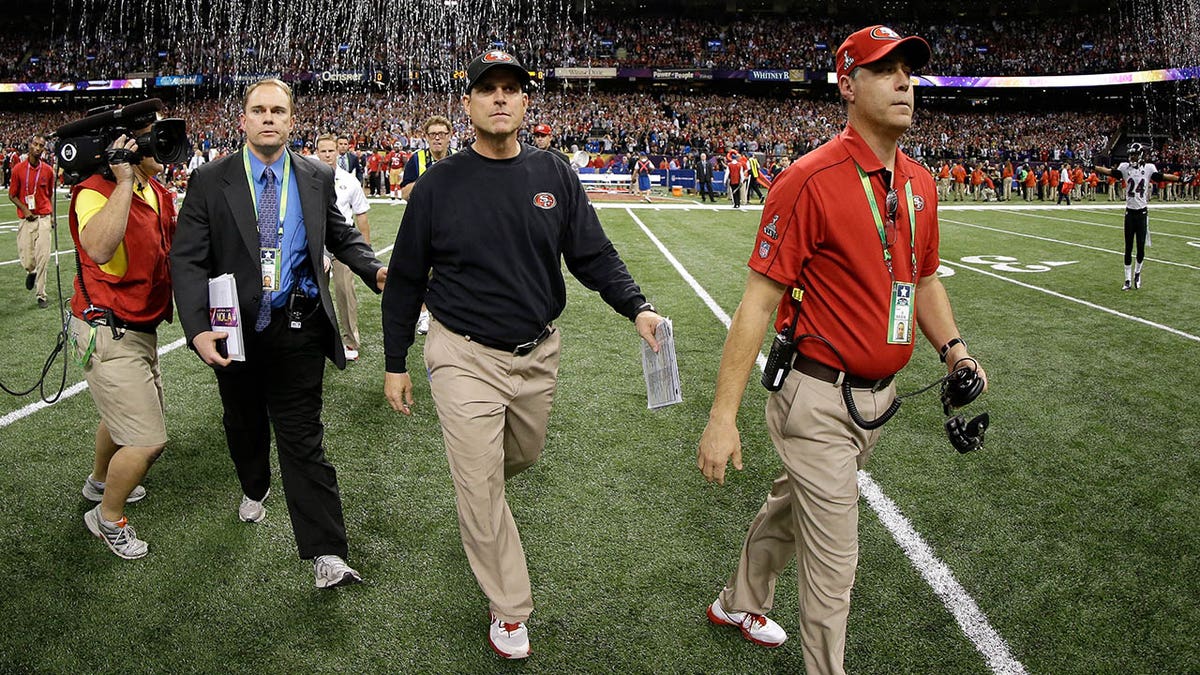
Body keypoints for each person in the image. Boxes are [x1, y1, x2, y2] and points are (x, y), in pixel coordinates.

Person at [695, 26, 987, 675]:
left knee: (790, 506)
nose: (905, 81)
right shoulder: (809, 179)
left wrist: (954, 350)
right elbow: (757, 304)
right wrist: (721, 417)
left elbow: (925, 278)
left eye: (909, 68)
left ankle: (736, 600)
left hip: (876, 401)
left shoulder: (920, 183)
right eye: (887, 70)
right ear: (848, 86)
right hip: (816, 396)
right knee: (835, 564)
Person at [381, 49, 664, 660]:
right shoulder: (437, 185)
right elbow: (404, 278)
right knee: (481, 486)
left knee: (520, 457)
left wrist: (636, 306)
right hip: (461, 353)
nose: (501, 98)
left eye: (512, 89)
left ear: (526, 102)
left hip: (537, 353)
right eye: (489, 90)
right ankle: (509, 608)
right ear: (468, 104)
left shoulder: (553, 174)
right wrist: (396, 361)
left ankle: (478, 492)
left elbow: (592, 254)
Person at [170, 78, 386, 588]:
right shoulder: (210, 180)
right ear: (243, 119)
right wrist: (198, 329)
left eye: (279, 110)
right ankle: (253, 483)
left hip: (298, 328)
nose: (269, 118)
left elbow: (341, 234)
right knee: (244, 426)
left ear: (292, 120)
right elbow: (187, 260)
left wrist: (373, 269)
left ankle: (328, 553)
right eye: (258, 110)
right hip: (234, 333)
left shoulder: (316, 175)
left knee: (303, 438)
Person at [64, 104, 176, 559]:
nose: (157, 144)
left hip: (139, 324)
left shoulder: (158, 191)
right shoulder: (94, 191)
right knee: (148, 439)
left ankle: (97, 483)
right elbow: (99, 245)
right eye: (148, 136)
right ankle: (107, 517)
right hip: (107, 326)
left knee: (121, 415)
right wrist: (124, 180)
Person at [315, 133, 372, 361]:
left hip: (341, 246)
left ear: (338, 152)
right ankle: (319, 340)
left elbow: (362, 216)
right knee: (315, 294)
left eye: (331, 150)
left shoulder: (350, 181)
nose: (328, 155)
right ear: (317, 152)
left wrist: (365, 253)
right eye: (323, 151)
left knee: (344, 292)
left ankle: (350, 341)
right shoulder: (306, 180)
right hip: (315, 246)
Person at [1095, 143, 1182, 290]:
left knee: (1140, 249)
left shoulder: (1148, 168)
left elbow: (1161, 177)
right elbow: (1110, 172)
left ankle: (1137, 273)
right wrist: (1094, 167)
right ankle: (1127, 279)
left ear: (1140, 154)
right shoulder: (1124, 167)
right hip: (1129, 213)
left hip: (1142, 213)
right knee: (1128, 247)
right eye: (1131, 154)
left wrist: (1178, 178)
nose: (1132, 157)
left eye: (1134, 154)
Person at [399, 115, 455, 336]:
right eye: (433, 134)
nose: (438, 138)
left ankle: (448, 312)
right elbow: (404, 193)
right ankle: (423, 314)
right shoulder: (417, 159)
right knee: (422, 272)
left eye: (442, 134)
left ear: (450, 136)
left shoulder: (459, 158)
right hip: (423, 225)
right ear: (426, 137)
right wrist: (429, 178)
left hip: (452, 224)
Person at [9, 134, 55, 309]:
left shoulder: (48, 170)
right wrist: (25, 209)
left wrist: (51, 217)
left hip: (43, 218)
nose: (37, 148)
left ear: (44, 149)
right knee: (28, 260)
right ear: (29, 145)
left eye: (41, 146)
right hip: (26, 220)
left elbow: (49, 195)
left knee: (44, 257)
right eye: (35, 144)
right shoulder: (18, 170)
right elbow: (12, 195)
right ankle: (31, 271)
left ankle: (41, 295)